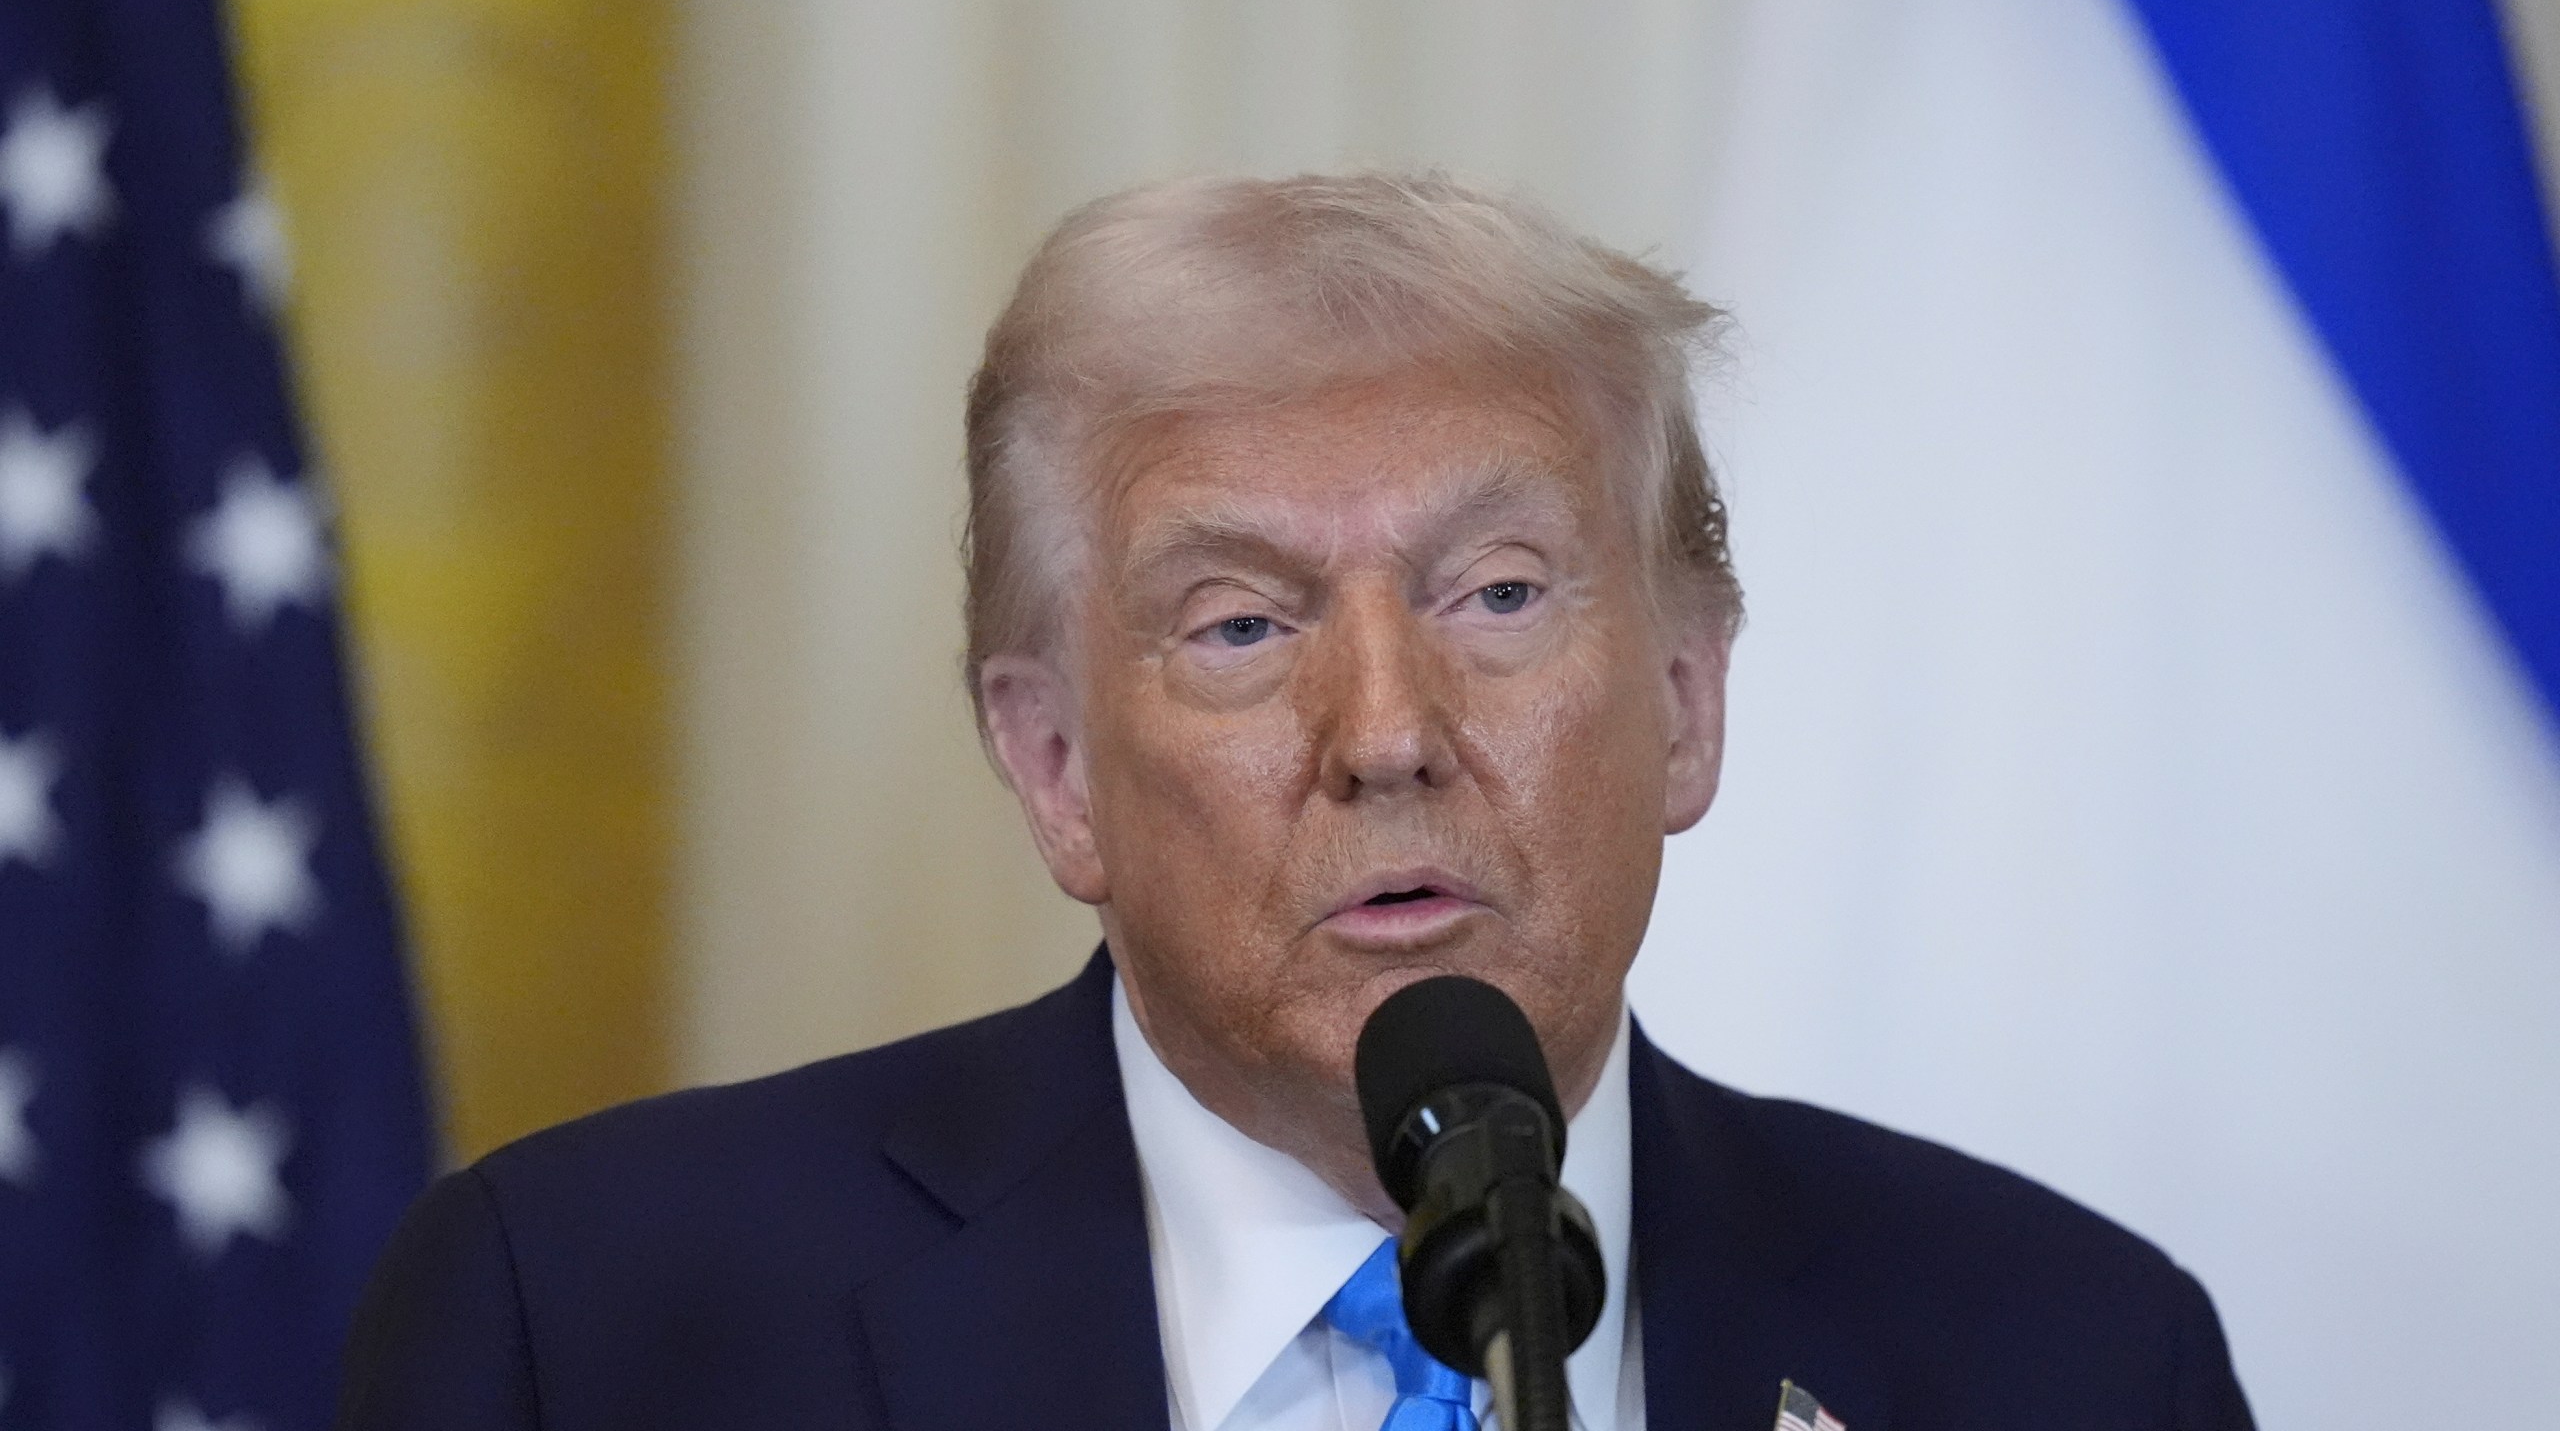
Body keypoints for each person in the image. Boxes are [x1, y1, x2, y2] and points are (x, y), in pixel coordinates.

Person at [336, 173, 2255, 1431]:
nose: (1389, 729)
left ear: (1687, 697)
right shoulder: (589, 1331)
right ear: (1056, 766)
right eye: (1242, 623)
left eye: (1498, 594)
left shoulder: (2071, 1355)